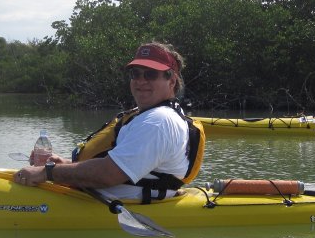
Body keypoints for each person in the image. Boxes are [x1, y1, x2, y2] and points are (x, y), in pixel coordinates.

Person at [16, 42, 205, 202]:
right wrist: (64, 164)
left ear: (171, 80)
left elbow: (109, 174)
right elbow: (124, 165)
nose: (140, 81)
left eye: (150, 74)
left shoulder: (159, 121)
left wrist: (48, 172)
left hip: (117, 209)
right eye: (135, 74)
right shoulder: (146, 116)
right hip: (94, 198)